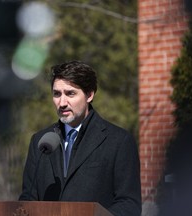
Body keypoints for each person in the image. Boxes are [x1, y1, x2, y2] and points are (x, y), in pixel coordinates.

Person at [19, 60, 141, 216]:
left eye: (70, 93)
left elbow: (129, 205)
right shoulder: (40, 141)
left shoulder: (119, 141)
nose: (62, 103)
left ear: (89, 95)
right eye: (57, 94)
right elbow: (28, 200)